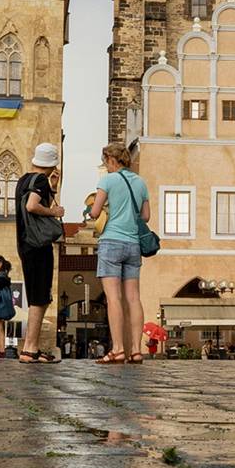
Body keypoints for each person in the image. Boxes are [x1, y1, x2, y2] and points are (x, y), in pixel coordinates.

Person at [84, 142, 150, 361]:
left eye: (106, 162)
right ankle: (137, 351)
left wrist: (101, 208)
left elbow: (94, 213)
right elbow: (146, 216)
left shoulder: (108, 180)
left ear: (111, 160)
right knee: (133, 298)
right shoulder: (140, 182)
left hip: (111, 241)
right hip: (133, 245)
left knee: (114, 299)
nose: (106, 165)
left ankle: (119, 349)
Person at [13, 141, 66, 362]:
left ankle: (31, 347)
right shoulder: (40, 180)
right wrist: (53, 211)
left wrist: (52, 187)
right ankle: (30, 348)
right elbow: (32, 206)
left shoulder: (23, 180)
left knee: (38, 295)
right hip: (38, 244)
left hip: (24, 243)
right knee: (39, 297)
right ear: (52, 163)